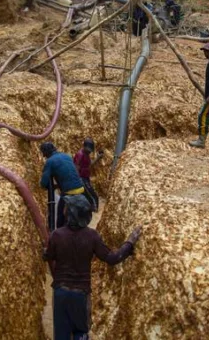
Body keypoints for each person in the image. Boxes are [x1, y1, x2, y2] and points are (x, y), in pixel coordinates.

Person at [44, 194, 141, 340]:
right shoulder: (92, 236)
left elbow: (48, 256)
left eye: (67, 207)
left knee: (61, 335)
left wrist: (45, 251)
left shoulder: (57, 235)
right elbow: (112, 258)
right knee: (81, 332)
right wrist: (130, 243)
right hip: (80, 295)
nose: (64, 209)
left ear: (71, 214)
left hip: (60, 293)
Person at [39, 141, 86, 232]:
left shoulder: (50, 161)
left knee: (60, 217)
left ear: (46, 153)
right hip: (81, 189)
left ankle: (60, 234)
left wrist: (47, 185)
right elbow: (69, 175)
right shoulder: (66, 156)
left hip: (69, 193)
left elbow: (43, 183)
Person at [73, 138, 100, 212]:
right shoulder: (80, 155)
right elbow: (76, 167)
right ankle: (93, 208)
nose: (90, 152)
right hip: (81, 178)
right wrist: (78, 179)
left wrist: (98, 157)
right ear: (84, 147)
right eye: (89, 150)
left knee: (91, 194)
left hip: (85, 177)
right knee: (91, 194)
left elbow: (89, 165)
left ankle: (92, 208)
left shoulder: (86, 154)